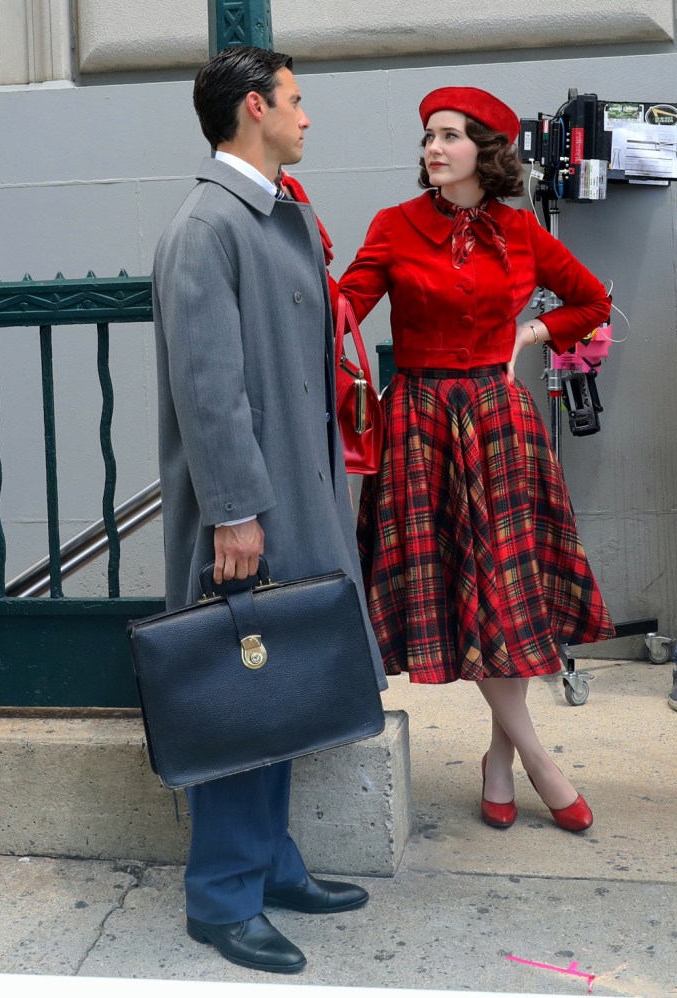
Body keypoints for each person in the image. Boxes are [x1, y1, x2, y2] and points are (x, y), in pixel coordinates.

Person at [152, 45, 385, 975]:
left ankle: (273, 864)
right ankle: (221, 897)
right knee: (236, 689)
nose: (307, 116)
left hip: (295, 492)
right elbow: (210, 393)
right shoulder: (209, 226)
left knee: (278, 685)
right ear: (254, 109)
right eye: (296, 101)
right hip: (249, 511)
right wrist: (237, 512)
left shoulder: (275, 211)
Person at [337, 86, 615, 834]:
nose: (433, 147)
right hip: (421, 423)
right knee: (474, 587)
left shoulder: (522, 233)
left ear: (484, 152)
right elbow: (343, 307)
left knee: (505, 592)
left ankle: (500, 760)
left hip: (497, 420)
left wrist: (529, 337)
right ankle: (540, 760)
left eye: (450, 136)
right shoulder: (395, 226)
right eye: (428, 135)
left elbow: (590, 302)